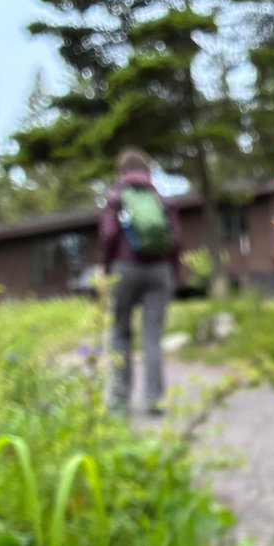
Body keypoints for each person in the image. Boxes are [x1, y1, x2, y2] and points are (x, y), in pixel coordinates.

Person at [99, 148, 182, 415]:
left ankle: (120, 401)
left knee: (120, 333)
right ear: (148, 171)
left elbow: (109, 236)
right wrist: (173, 272)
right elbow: (176, 241)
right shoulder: (161, 200)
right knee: (152, 338)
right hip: (159, 271)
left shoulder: (115, 198)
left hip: (124, 269)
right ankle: (155, 401)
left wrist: (108, 268)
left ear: (121, 172)